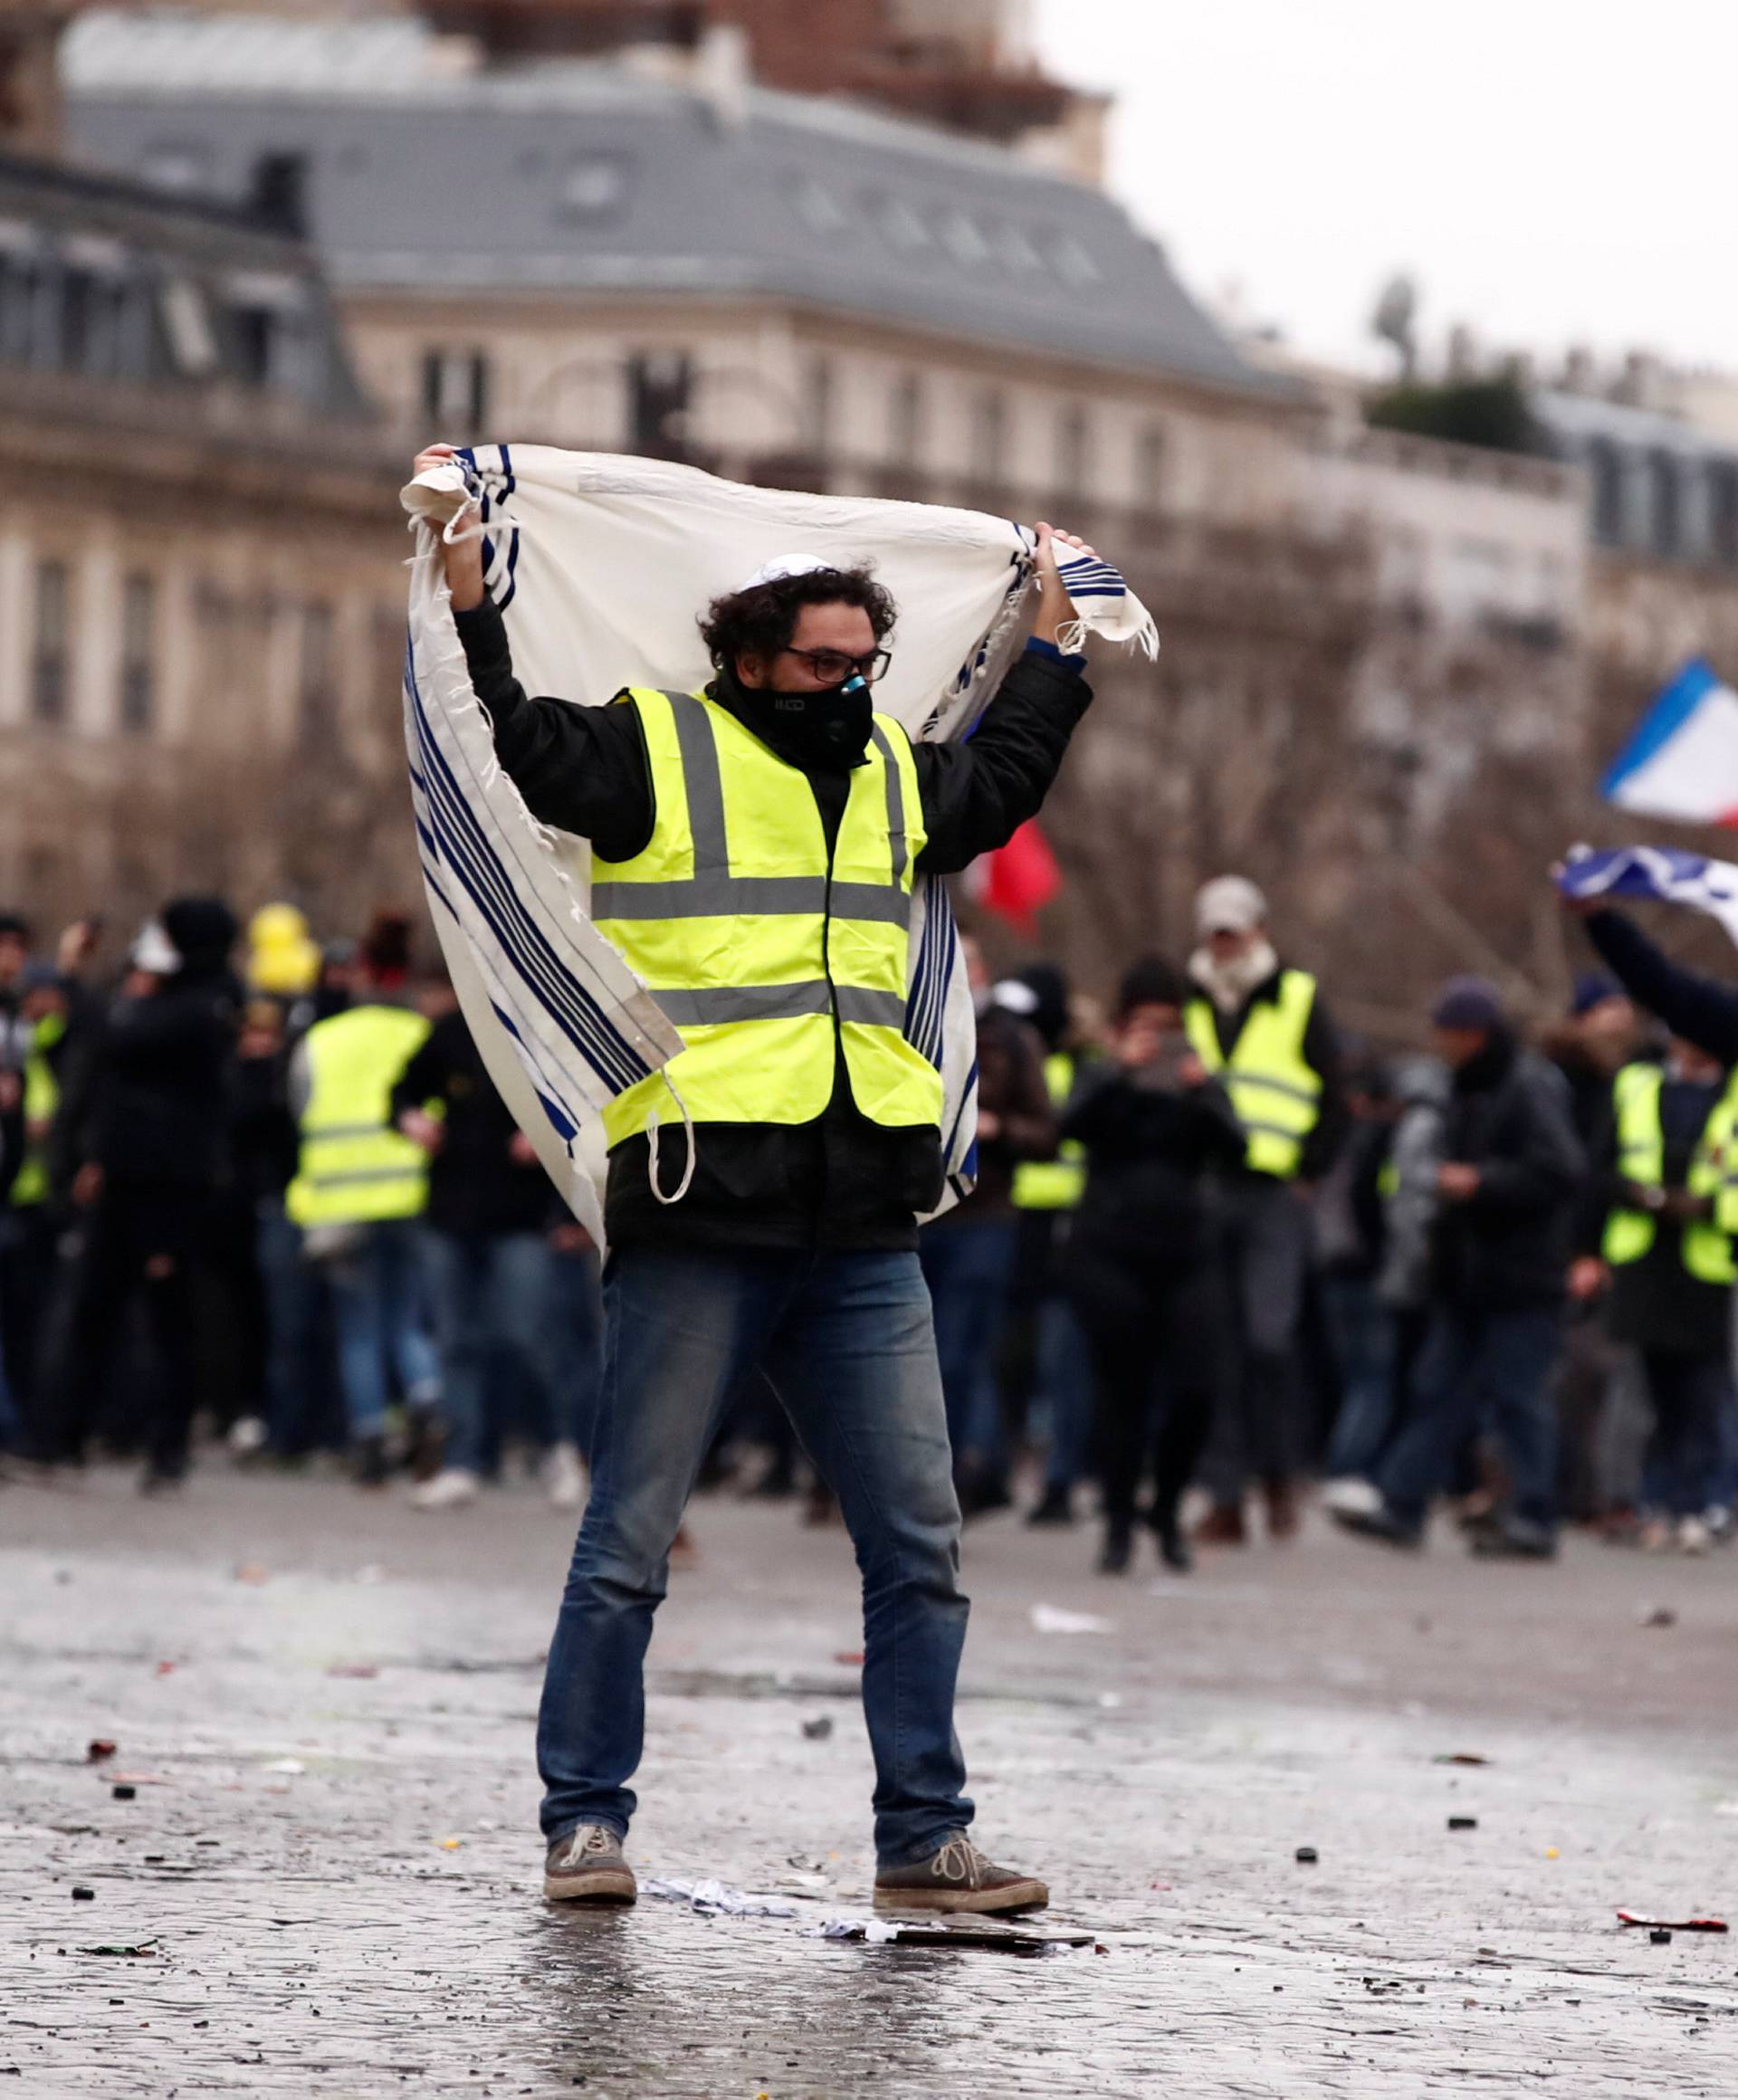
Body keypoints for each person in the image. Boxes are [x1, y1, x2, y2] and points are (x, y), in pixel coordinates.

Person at [417, 440, 1099, 1915]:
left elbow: (1008, 784)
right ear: (745, 655)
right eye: (823, 661)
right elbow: (521, 741)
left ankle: (925, 1842)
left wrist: (1053, 648)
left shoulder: (901, 779)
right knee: (630, 1542)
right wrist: (473, 602)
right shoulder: (655, 749)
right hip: (704, 1207)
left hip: (862, 1222)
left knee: (921, 1546)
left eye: (870, 660)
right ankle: (583, 1827)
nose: (853, 682)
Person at [1333, 977, 1583, 1557]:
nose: (1440, 1043)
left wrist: (1481, 1182)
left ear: (1474, 1034)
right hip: (1467, 1275)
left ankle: (1536, 1517)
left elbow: (1562, 1169)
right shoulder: (1461, 1087)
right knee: (1437, 1390)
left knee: (1519, 1399)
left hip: (1522, 1278)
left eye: (1447, 1033)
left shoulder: (1526, 1086)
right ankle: (1403, 1503)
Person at [43, 900, 241, 1488]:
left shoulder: (203, 1004)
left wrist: (73, 981)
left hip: (167, 1189)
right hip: (127, 1178)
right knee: (96, 1311)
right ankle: (65, 1439)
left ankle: (165, 1449)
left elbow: (118, 1036)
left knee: (166, 1319)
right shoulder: (180, 997)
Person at [1060, 958, 1244, 1575]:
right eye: (1146, 1025)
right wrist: (1120, 1071)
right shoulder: (1101, 1074)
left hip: (1187, 1249)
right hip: (1110, 1246)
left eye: (1170, 1025)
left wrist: (1201, 1089)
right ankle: (1116, 1522)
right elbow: (1070, 1128)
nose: (1159, 1038)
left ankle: (1164, 1506)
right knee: (1122, 1392)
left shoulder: (1197, 1078)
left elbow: (1237, 1148)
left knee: (1197, 1390)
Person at [1182, 874, 1346, 1543]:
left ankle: (1279, 1476)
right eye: (1214, 933)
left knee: (1269, 1342)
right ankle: (1226, 1497)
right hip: (1209, 1190)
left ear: (1259, 931)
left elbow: (1337, 1098)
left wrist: (1310, 1172)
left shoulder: (1299, 997)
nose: (1223, 944)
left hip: (1276, 1195)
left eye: (1234, 931)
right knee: (1216, 1347)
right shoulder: (1188, 1000)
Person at [389, 995, 585, 1513]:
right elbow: (402, 1091)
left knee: (524, 1338)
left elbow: (585, 1108)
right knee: (456, 1341)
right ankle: (462, 1462)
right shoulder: (452, 1030)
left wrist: (548, 1134)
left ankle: (556, 1448)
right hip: (450, 1211)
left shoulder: (543, 1029)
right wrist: (411, 1118)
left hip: (521, 1215)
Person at [283, 915, 441, 1485]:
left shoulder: (319, 1043)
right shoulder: (420, 1035)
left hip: (340, 1208)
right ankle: (426, 1398)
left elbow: (298, 1114)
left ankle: (371, 1435)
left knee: (358, 1329)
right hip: (410, 1195)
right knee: (409, 1320)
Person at [1573, 1036, 1736, 1551]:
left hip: (1709, 1263)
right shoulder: (1636, 1085)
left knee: (1704, 1395)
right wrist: (1592, 1244)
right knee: (1648, 1393)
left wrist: (1704, 1208)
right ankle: (1651, 1503)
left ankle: (1698, 1504)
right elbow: (1598, 1169)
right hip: (1644, 1259)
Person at [918, 940, 1056, 1516]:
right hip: (920, 1215)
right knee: (919, 1354)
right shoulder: (910, 1021)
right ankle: (936, 1476)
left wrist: (997, 1129)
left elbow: (1046, 1131)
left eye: (968, 963)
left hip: (986, 1216)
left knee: (962, 1350)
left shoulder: (1010, 1038)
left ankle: (967, 1472)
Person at [1002, 963, 1098, 1527]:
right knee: (1013, 1358)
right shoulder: (1020, 1062)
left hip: (1066, 1229)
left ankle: (1058, 1479)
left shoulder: (1082, 1070)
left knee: (1061, 1359)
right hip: (1015, 1224)